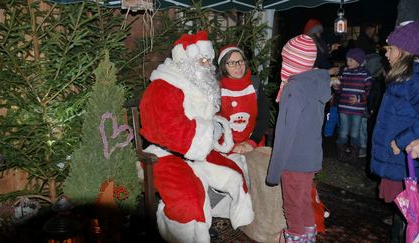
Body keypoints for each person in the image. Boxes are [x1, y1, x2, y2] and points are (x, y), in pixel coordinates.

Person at [139, 30, 254, 243]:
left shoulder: (199, 83)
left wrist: (218, 128)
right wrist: (210, 131)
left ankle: (213, 219)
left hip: (197, 150)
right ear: (185, 60)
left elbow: (209, 118)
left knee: (235, 175)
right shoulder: (163, 86)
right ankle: (185, 234)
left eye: (208, 60)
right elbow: (167, 130)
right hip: (165, 154)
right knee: (188, 200)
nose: (206, 64)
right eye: (200, 60)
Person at [266, 34, 332, 243]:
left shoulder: (294, 88)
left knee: (292, 205)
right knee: (303, 201)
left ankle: (296, 237)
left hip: (294, 160)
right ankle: (308, 236)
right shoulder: (315, 82)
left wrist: (273, 173)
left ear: (293, 61)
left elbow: (285, 134)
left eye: (286, 60)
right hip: (311, 157)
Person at [216, 45, 286, 242]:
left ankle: (268, 222)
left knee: (265, 173)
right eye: (232, 63)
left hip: (252, 142)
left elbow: (263, 118)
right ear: (223, 66)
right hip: (225, 145)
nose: (238, 66)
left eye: (240, 61)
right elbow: (213, 122)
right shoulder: (215, 88)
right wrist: (229, 145)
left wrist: (251, 141)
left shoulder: (254, 84)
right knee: (236, 174)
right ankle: (238, 214)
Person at [369, 21, 419, 243]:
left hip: (405, 158)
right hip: (397, 158)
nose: (385, 54)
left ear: (404, 50)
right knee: (403, 211)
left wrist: (402, 140)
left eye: (389, 49)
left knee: (408, 214)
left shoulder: (415, 79)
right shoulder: (400, 77)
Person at [335, 48, 372, 163]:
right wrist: (337, 88)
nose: (348, 62)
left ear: (359, 61)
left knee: (355, 133)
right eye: (347, 60)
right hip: (344, 108)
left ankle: (353, 155)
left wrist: (359, 98)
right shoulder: (345, 72)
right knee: (343, 132)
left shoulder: (365, 74)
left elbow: (368, 91)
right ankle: (341, 155)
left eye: (351, 60)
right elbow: (341, 89)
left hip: (357, 109)